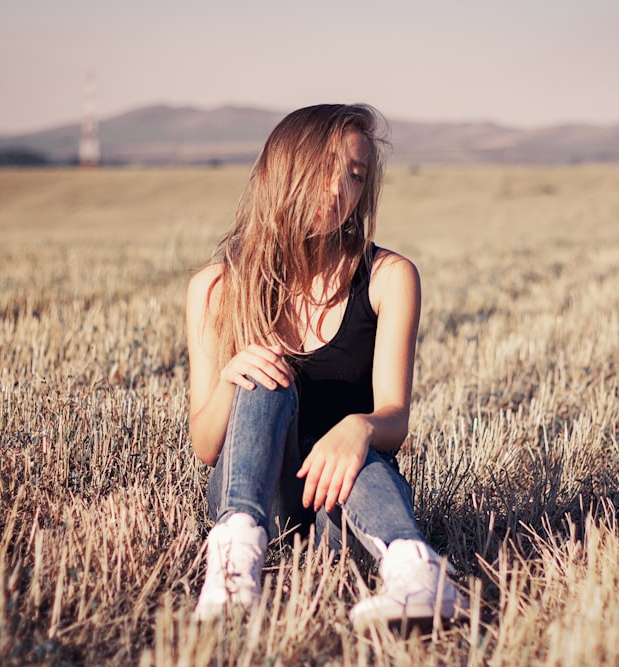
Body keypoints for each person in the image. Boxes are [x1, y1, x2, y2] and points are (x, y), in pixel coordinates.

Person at [185, 103, 466, 629]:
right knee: (266, 376)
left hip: (341, 508)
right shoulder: (217, 288)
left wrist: (358, 427)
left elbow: (394, 417)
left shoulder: (389, 277)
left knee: (356, 445)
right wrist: (232, 377)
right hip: (259, 497)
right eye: (322, 171)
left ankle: (417, 573)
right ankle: (232, 565)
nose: (338, 190)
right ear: (283, 172)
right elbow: (205, 445)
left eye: (355, 176)